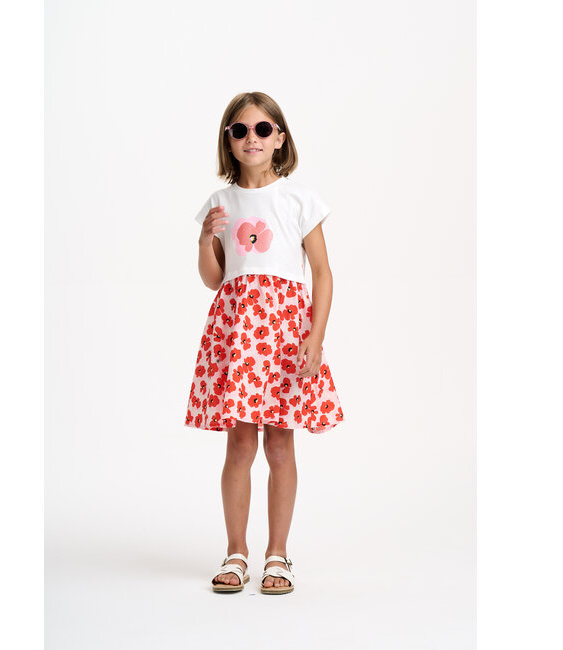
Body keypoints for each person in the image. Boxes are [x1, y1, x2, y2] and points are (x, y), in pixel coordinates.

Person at [185, 91, 344, 595]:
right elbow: (214, 279)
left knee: (279, 443)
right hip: (238, 335)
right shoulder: (220, 203)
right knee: (239, 443)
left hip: (283, 335)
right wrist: (205, 239)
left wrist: (315, 336)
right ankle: (236, 551)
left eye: (261, 129)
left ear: (279, 138)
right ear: (228, 141)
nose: (250, 138)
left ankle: (278, 553)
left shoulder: (299, 200)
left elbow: (322, 272)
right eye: (240, 130)